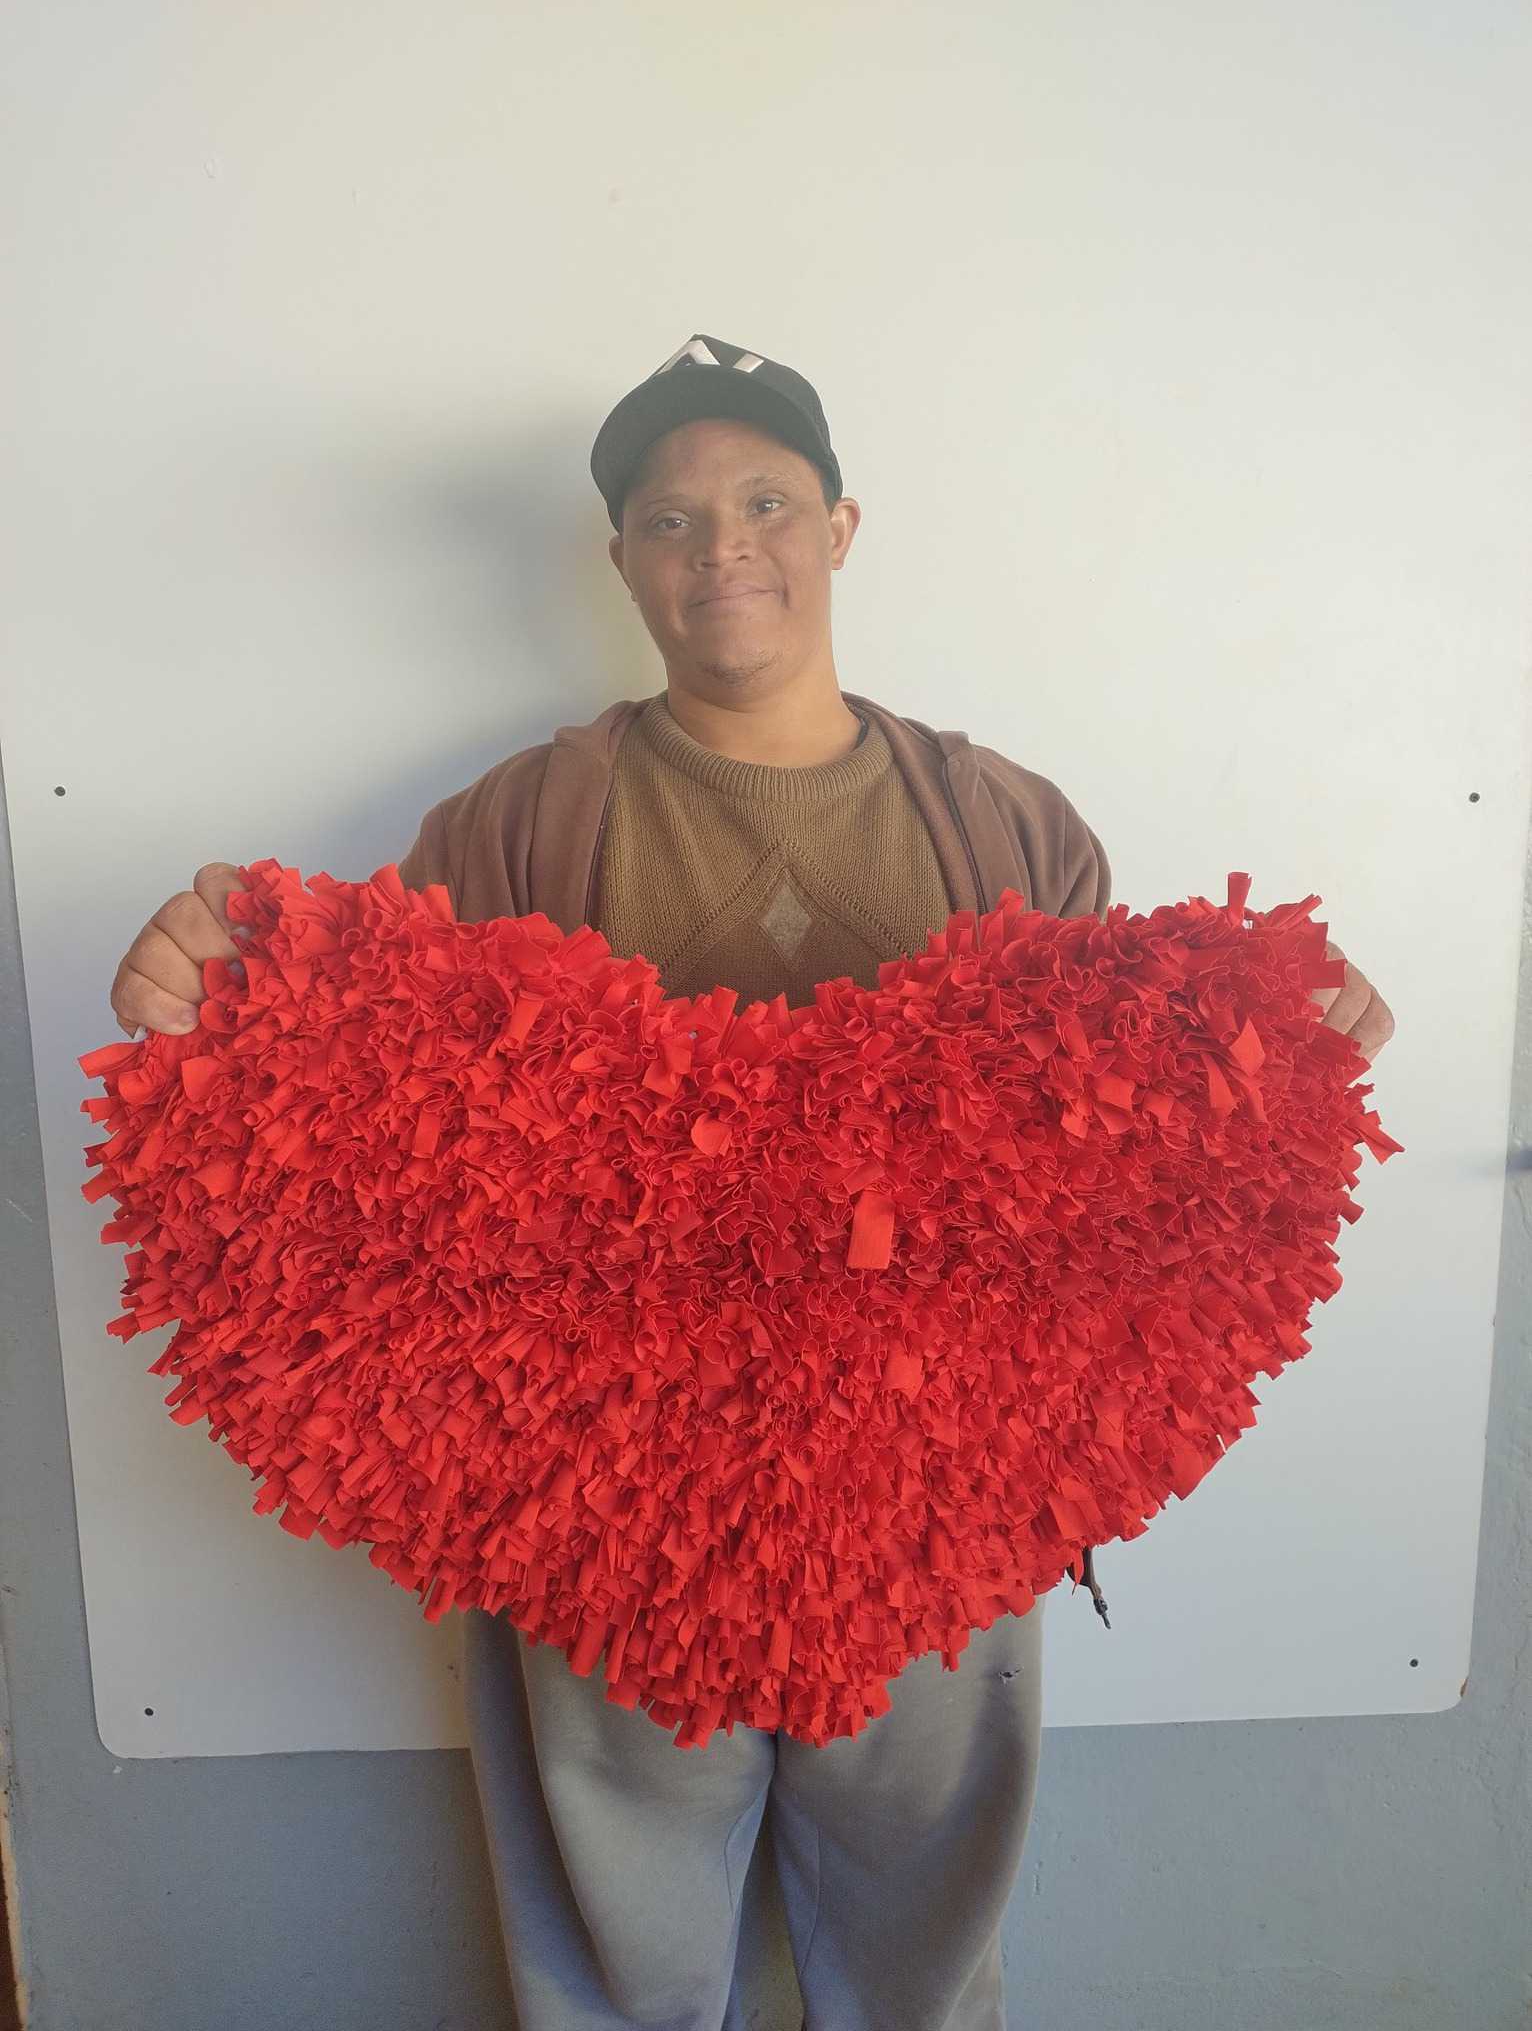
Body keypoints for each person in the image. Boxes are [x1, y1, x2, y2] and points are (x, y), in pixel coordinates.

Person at [104, 331, 1392, 2030]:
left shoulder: (1007, 824)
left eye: (767, 502)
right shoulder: (515, 826)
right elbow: (371, 1116)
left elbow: (1115, 1161)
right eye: (671, 518)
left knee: (925, 1946)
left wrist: (1282, 1043)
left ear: (840, 528)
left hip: (939, 1495)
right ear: (624, 559)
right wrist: (218, 992)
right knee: (616, 1951)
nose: (724, 547)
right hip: (601, 1500)